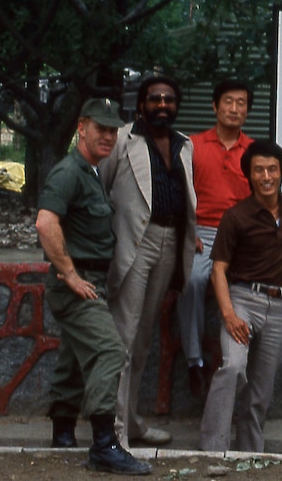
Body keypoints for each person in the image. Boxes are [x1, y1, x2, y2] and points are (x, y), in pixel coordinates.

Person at [35, 98, 150, 475]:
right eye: (101, 128)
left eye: (113, 130)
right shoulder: (69, 172)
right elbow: (45, 223)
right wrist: (69, 274)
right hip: (77, 282)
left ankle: (63, 435)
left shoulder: (93, 171)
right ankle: (103, 445)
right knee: (110, 352)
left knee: (74, 357)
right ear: (81, 127)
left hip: (92, 278)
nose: (108, 135)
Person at [100, 74, 197, 449]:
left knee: (142, 340)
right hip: (134, 244)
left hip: (169, 242)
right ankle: (114, 432)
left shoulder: (184, 145)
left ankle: (132, 421)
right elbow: (101, 187)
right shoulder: (122, 140)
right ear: (141, 105)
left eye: (169, 100)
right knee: (123, 337)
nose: (161, 105)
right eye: (154, 99)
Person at [199, 140, 282, 452]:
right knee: (233, 367)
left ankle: (251, 453)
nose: (266, 176)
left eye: (272, 169)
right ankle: (214, 449)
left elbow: (274, 242)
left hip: (278, 306)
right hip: (241, 300)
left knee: (261, 388)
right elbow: (218, 269)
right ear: (248, 175)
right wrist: (229, 315)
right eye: (259, 170)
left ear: (281, 173)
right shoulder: (235, 217)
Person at [177, 80, 254, 397]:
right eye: (229, 102)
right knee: (192, 280)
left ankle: (239, 368)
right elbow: (175, 192)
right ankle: (194, 362)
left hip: (240, 234)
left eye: (242, 103)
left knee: (252, 288)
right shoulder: (192, 146)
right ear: (215, 106)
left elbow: (264, 200)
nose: (235, 109)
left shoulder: (253, 151)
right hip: (202, 232)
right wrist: (186, 230)